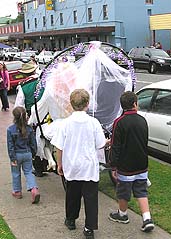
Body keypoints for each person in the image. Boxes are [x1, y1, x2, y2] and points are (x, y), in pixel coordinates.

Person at [51, 89, 106, 239]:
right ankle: (89, 228)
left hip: (72, 165)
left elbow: (59, 147)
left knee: (72, 194)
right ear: (87, 104)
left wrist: (59, 163)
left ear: (71, 104)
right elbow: (100, 144)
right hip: (88, 166)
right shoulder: (94, 123)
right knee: (91, 198)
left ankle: (71, 219)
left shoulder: (65, 124)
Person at [108, 91, 154, 233]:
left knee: (123, 191)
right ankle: (147, 218)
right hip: (141, 164)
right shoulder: (142, 120)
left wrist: (113, 165)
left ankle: (122, 214)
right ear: (135, 104)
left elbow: (115, 145)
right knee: (141, 191)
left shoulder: (119, 122)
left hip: (126, 166)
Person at [7, 106, 40, 203]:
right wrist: (33, 153)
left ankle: (17, 191)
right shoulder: (29, 129)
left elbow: (10, 146)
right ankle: (34, 189)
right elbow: (33, 143)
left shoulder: (10, 130)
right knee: (28, 172)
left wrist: (12, 158)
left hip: (16, 155)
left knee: (16, 173)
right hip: (27, 153)